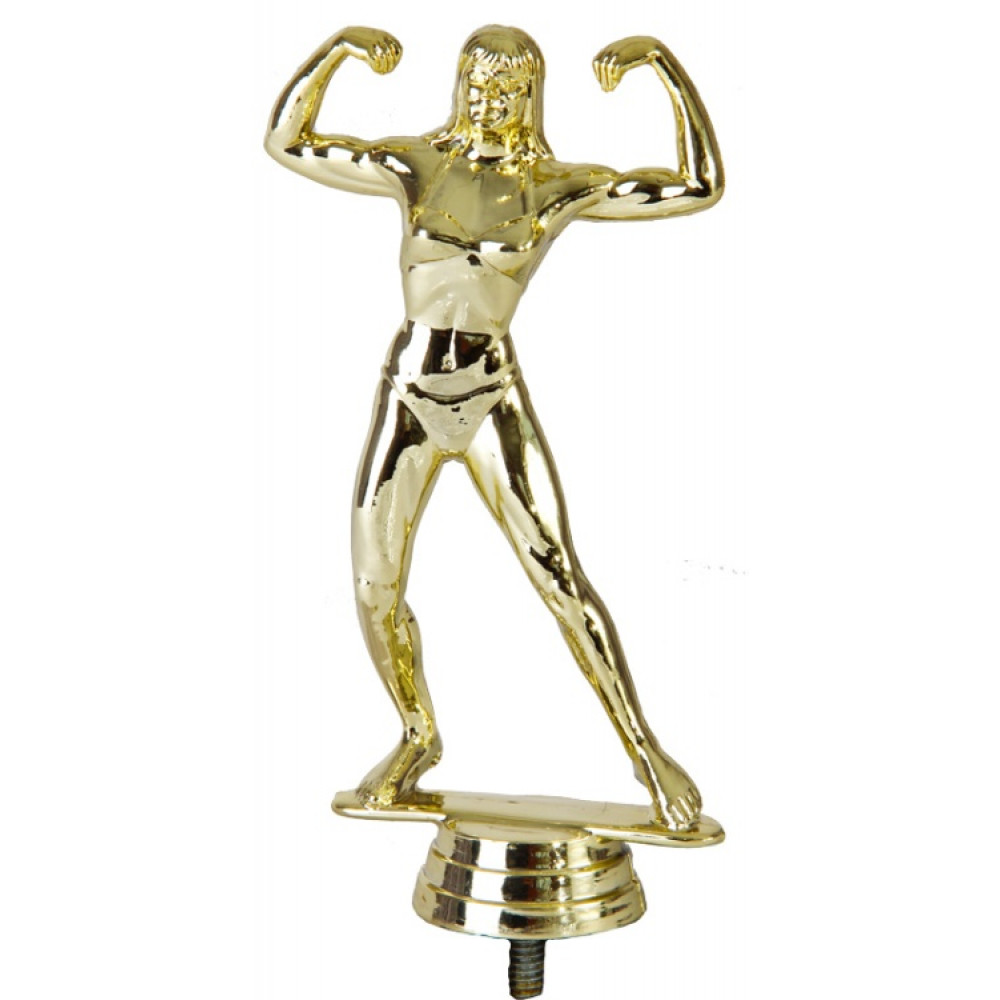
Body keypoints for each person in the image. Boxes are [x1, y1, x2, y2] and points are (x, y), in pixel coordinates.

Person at [265, 25, 724, 830]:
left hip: (488, 394)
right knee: (375, 585)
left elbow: (697, 186)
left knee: (557, 575)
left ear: (530, 99)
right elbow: (288, 141)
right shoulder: (417, 164)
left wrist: (662, 65)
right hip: (409, 388)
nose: (487, 101)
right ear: (458, 87)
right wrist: (339, 50)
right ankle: (416, 736)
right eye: (476, 85)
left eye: (506, 91)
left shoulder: (553, 186)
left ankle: (647, 754)